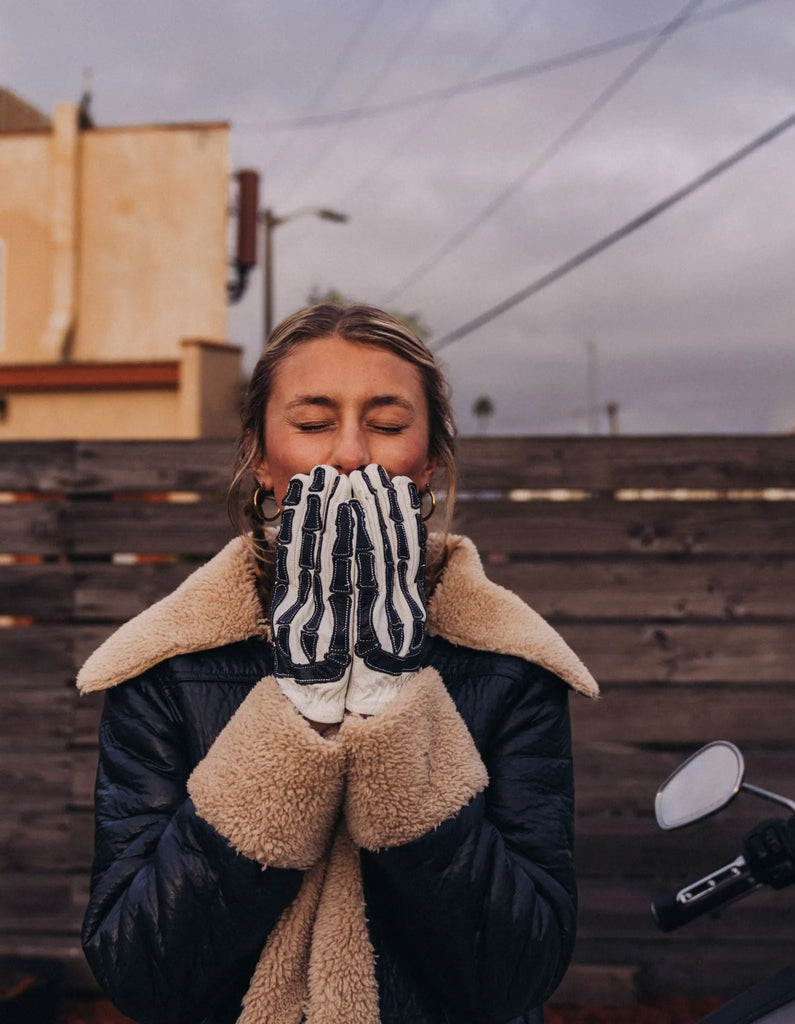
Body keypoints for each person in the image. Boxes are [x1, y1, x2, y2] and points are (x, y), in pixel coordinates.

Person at [77, 303, 598, 1024]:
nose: (350, 453)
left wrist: (393, 709)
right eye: (313, 422)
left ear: (429, 462)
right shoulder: (165, 666)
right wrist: (300, 712)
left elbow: (519, 971)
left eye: (386, 424)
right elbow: (140, 971)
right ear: (261, 459)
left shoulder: (512, 665)